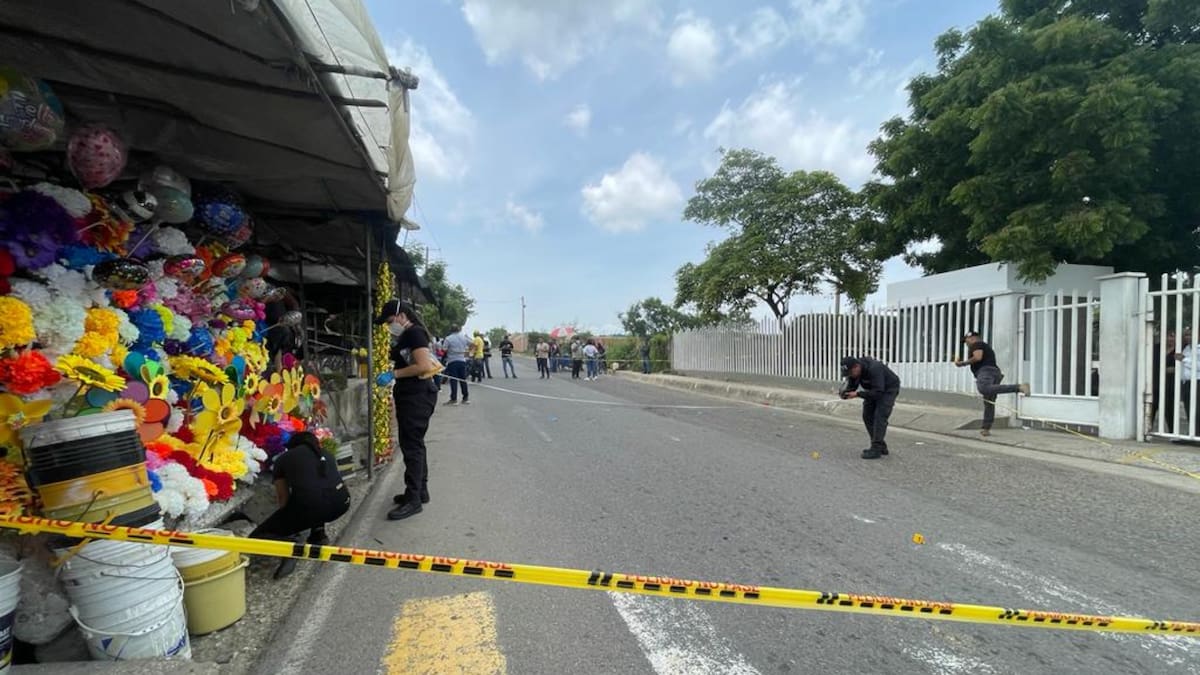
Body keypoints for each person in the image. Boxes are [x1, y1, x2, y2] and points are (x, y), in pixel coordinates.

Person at [250, 431, 351, 578]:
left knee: (258, 536)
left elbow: (283, 498)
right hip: (342, 503)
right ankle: (318, 535)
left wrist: (287, 525)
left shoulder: (283, 459)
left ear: (292, 446)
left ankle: (291, 548)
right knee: (318, 494)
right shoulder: (326, 454)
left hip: (313, 508)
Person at [376, 300, 441, 520]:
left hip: (417, 396)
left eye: (390, 321)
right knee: (415, 445)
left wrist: (393, 374)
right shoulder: (408, 334)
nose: (389, 326)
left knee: (412, 447)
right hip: (412, 395)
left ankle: (413, 500)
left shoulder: (415, 333)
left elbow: (423, 366)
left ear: (402, 315)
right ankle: (420, 491)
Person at [955, 331, 1029, 437]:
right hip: (994, 372)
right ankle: (986, 428)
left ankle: (1019, 387)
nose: (966, 344)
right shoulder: (984, 346)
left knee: (984, 388)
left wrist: (962, 363)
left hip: (985, 371)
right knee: (989, 401)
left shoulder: (977, 344)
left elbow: (978, 357)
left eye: (966, 341)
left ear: (972, 338)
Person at [839, 356, 901, 460]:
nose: (850, 376)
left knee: (880, 416)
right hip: (873, 390)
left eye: (850, 373)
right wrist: (845, 393)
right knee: (867, 415)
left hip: (888, 389)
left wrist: (858, 394)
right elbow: (852, 385)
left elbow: (878, 392)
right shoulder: (855, 372)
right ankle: (880, 445)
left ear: (857, 366)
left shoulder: (875, 368)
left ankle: (876, 449)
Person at [441, 326, 472, 405]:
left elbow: (444, 349)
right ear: (459, 330)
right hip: (462, 360)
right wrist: (467, 353)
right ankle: (465, 398)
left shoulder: (448, 338)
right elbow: (473, 344)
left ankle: (454, 399)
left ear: (451, 330)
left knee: (453, 380)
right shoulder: (464, 337)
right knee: (463, 379)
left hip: (452, 361)